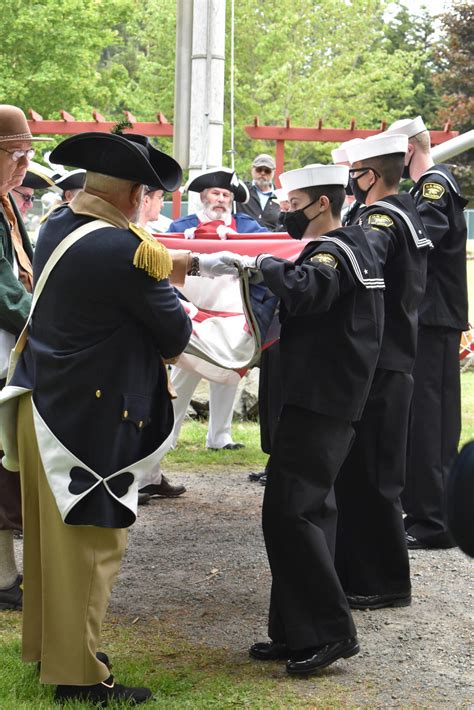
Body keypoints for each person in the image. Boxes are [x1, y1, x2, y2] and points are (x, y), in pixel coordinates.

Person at [4, 129, 193, 703]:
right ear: (136, 195)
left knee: (50, 547)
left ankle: (49, 649)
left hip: (46, 404)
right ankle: (79, 676)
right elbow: (175, 332)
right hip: (90, 419)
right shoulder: (125, 249)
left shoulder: (60, 225)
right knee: (90, 549)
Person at [213, 163, 386, 675]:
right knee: (299, 512)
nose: (284, 211)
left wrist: (259, 260)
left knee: (294, 512)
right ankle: (295, 630)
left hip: (322, 399)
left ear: (322, 204)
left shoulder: (335, 250)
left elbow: (311, 289)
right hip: (326, 395)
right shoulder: (359, 244)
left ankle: (331, 632)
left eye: (293, 204)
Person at [334, 133, 432, 611]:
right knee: (371, 472)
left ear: (369, 176)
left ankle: (383, 580)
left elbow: (359, 266)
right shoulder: (405, 211)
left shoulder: (380, 219)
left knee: (370, 475)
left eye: (355, 174)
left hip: (378, 359)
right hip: (393, 358)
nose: (351, 182)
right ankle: (368, 573)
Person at [385, 116, 469, 550]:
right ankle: (424, 511)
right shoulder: (425, 189)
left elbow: (422, 238)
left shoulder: (435, 186)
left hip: (435, 318)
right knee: (420, 420)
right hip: (427, 316)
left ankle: (436, 522)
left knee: (432, 424)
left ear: (407, 152)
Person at [168, 168, 265, 451]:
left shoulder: (247, 227)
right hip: (193, 312)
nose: (221, 200)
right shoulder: (180, 227)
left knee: (229, 368)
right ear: (203, 196)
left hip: (233, 313)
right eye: (216, 193)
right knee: (185, 373)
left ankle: (220, 435)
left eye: (226, 195)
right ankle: (168, 436)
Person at [0, 106, 49, 611]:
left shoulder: (7, 206)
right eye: (15, 156)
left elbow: (27, 271)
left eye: (27, 156)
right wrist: (45, 325)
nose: (22, 167)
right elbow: (2, 290)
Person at [236, 154, 282, 230]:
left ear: (273, 172)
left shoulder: (281, 196)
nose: (262, 173)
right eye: (259, 169)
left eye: (267, 170)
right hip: (244, 239)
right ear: (252, 170)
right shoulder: (240, 191)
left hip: (272, 240)